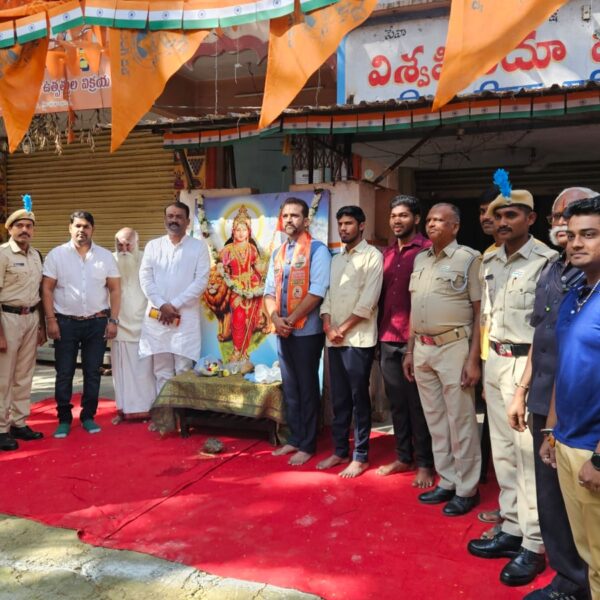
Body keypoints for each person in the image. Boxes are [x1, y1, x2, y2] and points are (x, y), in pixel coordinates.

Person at [508, 188, 595, 600]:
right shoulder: (555, 273)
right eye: (561, 220)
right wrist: (523, 391)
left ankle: (578, 583)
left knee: (583, 510)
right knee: (552, 498)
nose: (570, 233)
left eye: (584, 230)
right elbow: (542, 339)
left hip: (588, 423)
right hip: (551, 402)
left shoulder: (588, 277)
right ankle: (566, 577)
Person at [468, 189, 557, 587]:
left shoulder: (548, 261)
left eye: (513, 215)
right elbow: (486, 315)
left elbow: (545, 328)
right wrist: (485, 364)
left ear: (531, 219)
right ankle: (511, 527)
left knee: (527, 457)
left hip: (527, 364)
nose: (503, 222)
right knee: (502, 453)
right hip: (496, 359)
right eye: (498, 215)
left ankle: (534, 544)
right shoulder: (490, 260)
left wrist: (522, 385)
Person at [403, 203, 482, 515]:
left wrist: (473, 359)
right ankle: (447, 480)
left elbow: (480, 313)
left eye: (440, 220)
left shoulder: (469, 259)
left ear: (456, 227)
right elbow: (414, 309)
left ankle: (467, 488)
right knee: (436, 420)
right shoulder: (420, 259)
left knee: (460, 420)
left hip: (454, 347)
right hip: (422, 348)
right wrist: (409, 350)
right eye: (430, 219)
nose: (432, 224)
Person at [540, 196, 600, 600]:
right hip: (567, 442)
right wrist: (551, 429)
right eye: (572, 235)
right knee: (589, 554)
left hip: (593, 451)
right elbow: (564, 366)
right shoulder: (575, 292)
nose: (575, 243)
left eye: (590, 235)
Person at [264, 197, 331, 466]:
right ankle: (294, 438)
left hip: (307, 332)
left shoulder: (317, 250)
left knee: (306, 387)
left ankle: (308, 444)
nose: (290, 220)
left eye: (295, 215)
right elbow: (268, 291)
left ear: (306, 221)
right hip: (283, 331)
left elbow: (317, 291)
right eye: (286, 215)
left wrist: (289, 320)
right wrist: (275, 319)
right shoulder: (278, 253)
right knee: (290, 387)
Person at [42, 211, 121, 438]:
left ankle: (88, 416)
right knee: (64, 372)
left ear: (92, 229)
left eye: (86, 226)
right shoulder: (57, 255)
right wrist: (51, 320)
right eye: (77, 226)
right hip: (65, 323)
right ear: (69, 228)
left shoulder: (105, 256)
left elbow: (115, 289)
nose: (81, 230)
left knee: (92, 372)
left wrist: (113, 320)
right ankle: (64, 419)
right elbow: (47, 288)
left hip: (97, 322)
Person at [317, 206, 383, 478]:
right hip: (334, 339)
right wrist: (327, 325)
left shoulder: (372, 257)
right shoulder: (336, 259)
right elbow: (328, 296)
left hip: (358, 340)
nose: (343, 228)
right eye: (340, 224)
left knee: (359, 398)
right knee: (340, 398)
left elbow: (369, 301)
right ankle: (340, 450)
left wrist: (340, 328)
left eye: (348, 224)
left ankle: (361, 456)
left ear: (362, 225)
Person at [376, 195, 435, 487]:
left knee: (419, 405)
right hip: (388, 337)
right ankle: (403, 456)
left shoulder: (427, 251)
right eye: (393, 216)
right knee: (396, 402)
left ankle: (425, 462)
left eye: (403, 215)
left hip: (416, 340)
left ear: (417, 219)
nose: (397, 220)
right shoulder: (387, 254)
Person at [139, 201, 210, 395]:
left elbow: (201, 281)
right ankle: (165, 417)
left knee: (183, 369)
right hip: (157, 316)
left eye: (179, 217)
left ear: (187, 222)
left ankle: (182, 420)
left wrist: (174, 305)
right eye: (170, 216)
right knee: (161, 370)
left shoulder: (198, 248)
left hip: (185, 318)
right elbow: (145, 279)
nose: (174, 220)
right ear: (164, 219)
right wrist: (162, 304)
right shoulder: (153, 246)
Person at [0, 204, 45, 451]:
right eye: (19, 226)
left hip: (30, 319)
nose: (24, 230)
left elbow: (38, 292)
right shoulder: (2, 254)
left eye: (28, 226)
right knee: (3, 377)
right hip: (7, 318)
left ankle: (18, 422)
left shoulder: (36, 255)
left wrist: (41, 328)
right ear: (10, 229)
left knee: (24, 375)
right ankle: (1, 427)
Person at [111, 228, 156, 422]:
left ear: (137, 243)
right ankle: (125, 409)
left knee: (144, 370)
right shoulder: (110, 260)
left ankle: (147, 408)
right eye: (120, 244)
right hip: (119, 323)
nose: (124, 248)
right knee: (122, 370)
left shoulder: (147, 259)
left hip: (144, 323)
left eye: (128, 244)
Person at [219, 205, 264, 363]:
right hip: (236, 289)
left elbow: (258, 267)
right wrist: (230, 281)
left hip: (252, 287)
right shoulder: (227, 250)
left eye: (244, 230)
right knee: (238, 319)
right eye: (237, 230)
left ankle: (244, 353)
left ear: (249, 232)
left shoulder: (252, 249)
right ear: (233, 231)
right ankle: (237, 351)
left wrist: (266, 272)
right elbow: (222, 270)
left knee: (249, 320)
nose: (240, 233)